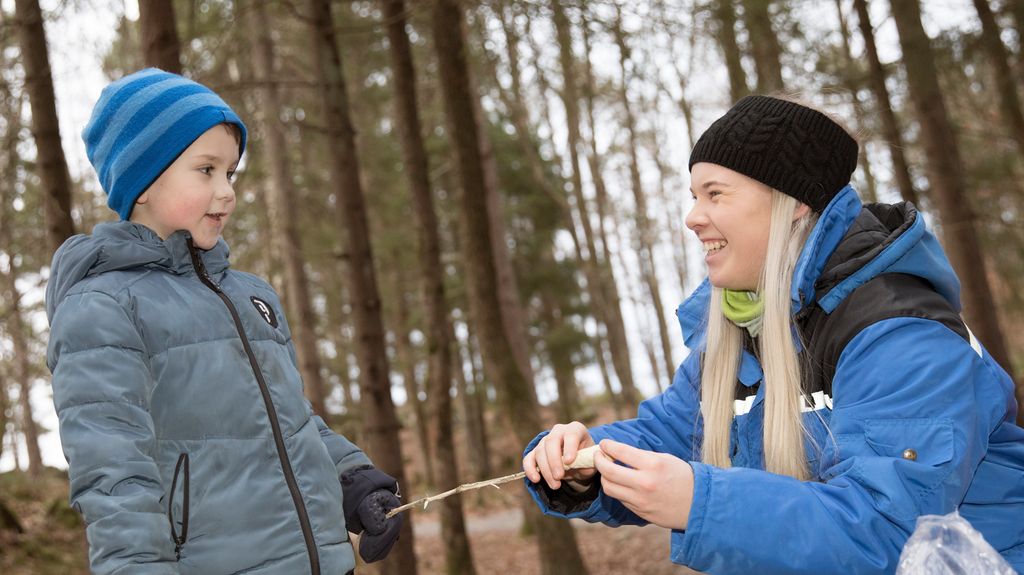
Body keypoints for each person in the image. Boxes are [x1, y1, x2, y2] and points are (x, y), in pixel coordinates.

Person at [522, 95, 1024, 574]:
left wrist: (701, 503)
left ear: (795, 204)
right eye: (694, 196)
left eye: (715, 194)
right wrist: (584, 460)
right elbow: (669, 437)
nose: (692, 217)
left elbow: (888, 530)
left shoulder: (899, 332)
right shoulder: (740, 332)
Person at [45, 68, 403, 575]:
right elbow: (113, 475)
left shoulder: (251, 294)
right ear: (143, 182)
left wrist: (351, 478)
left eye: (230, 172)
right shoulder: (103, 307)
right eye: (206, 169)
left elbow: (290, 420)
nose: (227, 191)